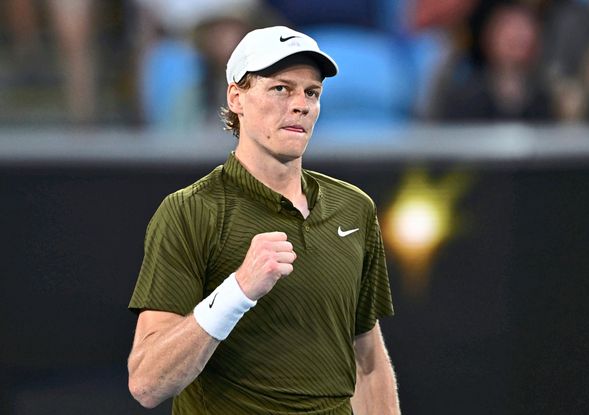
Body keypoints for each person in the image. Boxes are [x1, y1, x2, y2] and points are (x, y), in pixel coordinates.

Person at [127, 25, 401, 414]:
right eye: (281, 89)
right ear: (236, 97)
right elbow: (147, 383)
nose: (301, 104)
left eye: (312, 93)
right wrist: (236, 292)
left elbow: (367, 363)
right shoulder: (191, 211)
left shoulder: (353, 207)